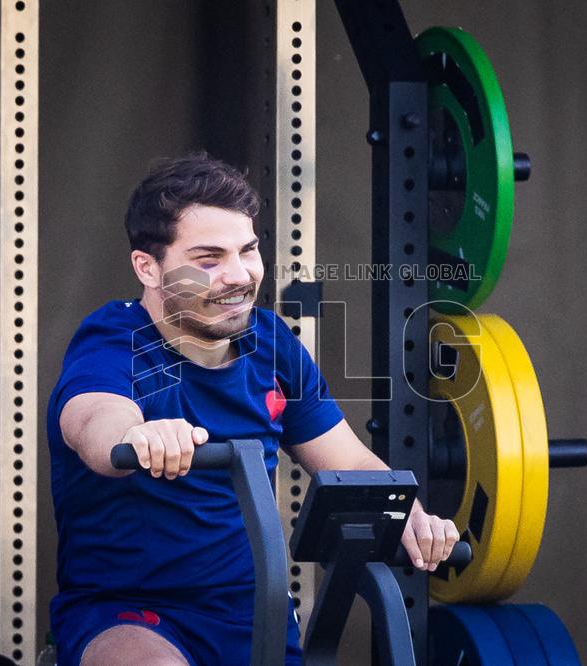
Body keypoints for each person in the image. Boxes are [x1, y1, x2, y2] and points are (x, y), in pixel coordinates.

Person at [47, 153, 459, 665]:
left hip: (252, 615)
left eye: (248, 250)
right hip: (130, 615)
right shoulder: (115, 339)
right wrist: (138, 436)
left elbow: (349, 464)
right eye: (208, 259)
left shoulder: (272, 345)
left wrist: (412, 518)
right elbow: (92, 420)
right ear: (147, 268)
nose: (239, 275)